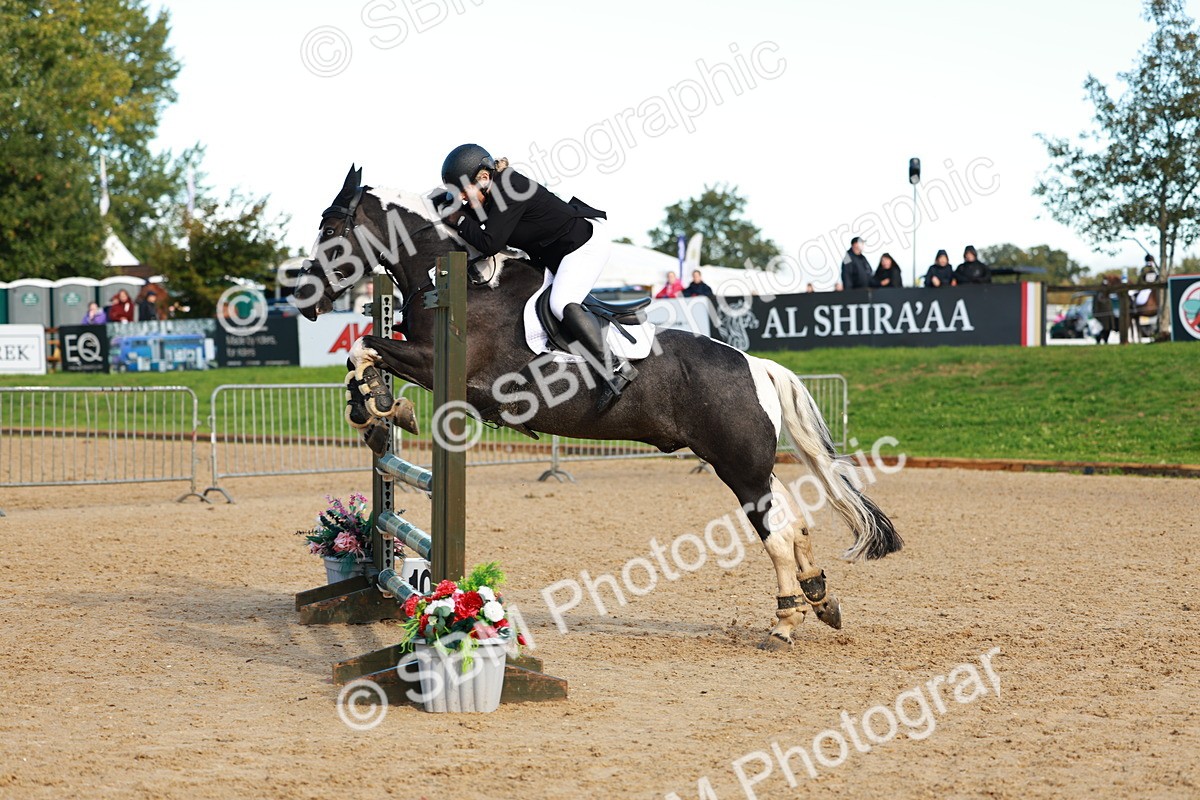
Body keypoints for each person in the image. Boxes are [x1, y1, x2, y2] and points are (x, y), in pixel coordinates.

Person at [433, 143, 635, 411]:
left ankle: (617, 367)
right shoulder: (490, 191)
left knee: (560, 304)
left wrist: (457, 219)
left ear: (484, 178)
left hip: (584, 246)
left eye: (462, 190)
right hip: (554, 255)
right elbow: (466, 217)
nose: (460, 198)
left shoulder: (510, 187)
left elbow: (489, 242)